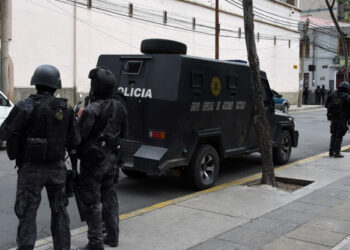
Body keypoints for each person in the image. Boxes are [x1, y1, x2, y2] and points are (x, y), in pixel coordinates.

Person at [0, 65, 80, 250]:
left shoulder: (25, 105)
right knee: (60, 213)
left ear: (35, 83)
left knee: (27, 214)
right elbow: (75, 141)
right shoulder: (66, 109)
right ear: (56, 86)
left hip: (30, 170)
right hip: (57, 169)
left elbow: (4, 133)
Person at [77, 67, 127, 250]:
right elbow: (124, 133)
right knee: (110, 200)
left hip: (93, 164)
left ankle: (95, 242)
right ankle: (113, 237)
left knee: (92, 203)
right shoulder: (120, 107)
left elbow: (78, 137)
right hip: (112, 161)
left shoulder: (92, 109)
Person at [325, 81, 350, 158]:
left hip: (333, 118)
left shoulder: (332, 94)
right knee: (339, 136)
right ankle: (337, 153)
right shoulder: (347, 96)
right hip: (342, 119)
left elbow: (326, 105)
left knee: (333, 134)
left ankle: (331, 152)